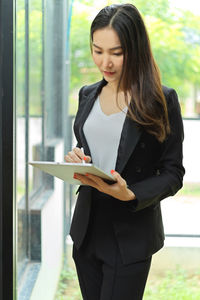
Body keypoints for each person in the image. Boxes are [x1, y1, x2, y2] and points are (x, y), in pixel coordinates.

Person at [64, 3, 185, 300]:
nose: (105, 62)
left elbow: (173, 173)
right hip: (87, 231)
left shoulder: (161, 100)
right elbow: (92, 147)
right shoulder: (87, 94)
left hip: (130, 236)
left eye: (116, 53)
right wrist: (77, 157)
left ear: (136, 49)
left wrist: (130, 194)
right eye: (98, 50)